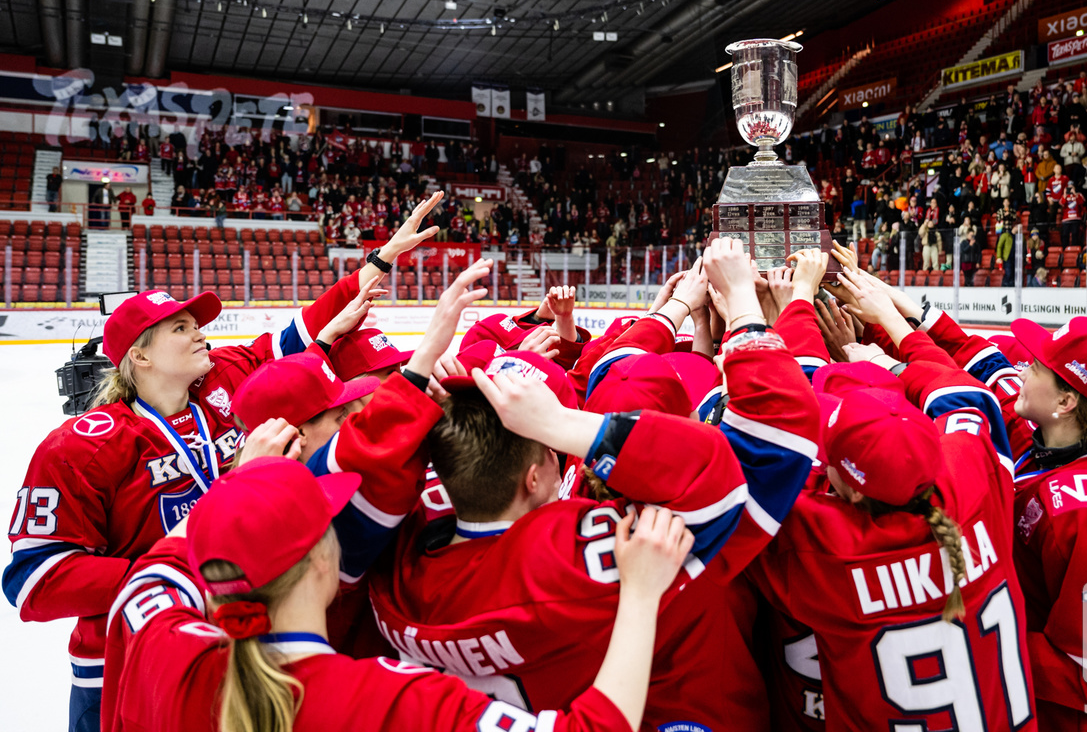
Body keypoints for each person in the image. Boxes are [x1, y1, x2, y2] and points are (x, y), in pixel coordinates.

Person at [3, 195, 446, 732]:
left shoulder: (220, 383)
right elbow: (33, 580)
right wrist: (178, 573)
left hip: (243, 638)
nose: (200, 333)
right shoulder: (83, 445)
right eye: (181, 328)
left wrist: (379, 261)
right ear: (138, 356)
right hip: (130, 660)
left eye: (196, 323)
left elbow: (299, 335)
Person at [353, 245, 821, 731]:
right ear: (535, 476)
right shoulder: (590, 558)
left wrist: (416, 382)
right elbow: (771, 456)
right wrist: (744, 304)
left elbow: (363, 473)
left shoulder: (395, 564)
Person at [100, 457, 689, 732]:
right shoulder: (394, 701)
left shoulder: (166, 649)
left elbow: (153, 577)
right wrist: (640, 595)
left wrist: (236, 497)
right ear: (323, 561)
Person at [748, 267, 1032, 732]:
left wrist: (796, 305)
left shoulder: (829, 549)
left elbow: (775, 444)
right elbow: (962, 396)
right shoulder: (974, 482)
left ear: (852, 488)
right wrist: (893, 335)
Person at [896, 293, 1087, 729]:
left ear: (1066, 402)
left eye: (1036, 367)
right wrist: (896, 312)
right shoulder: (1043, 439)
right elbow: (983, 368)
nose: (1022, 369)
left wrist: (980, 639)